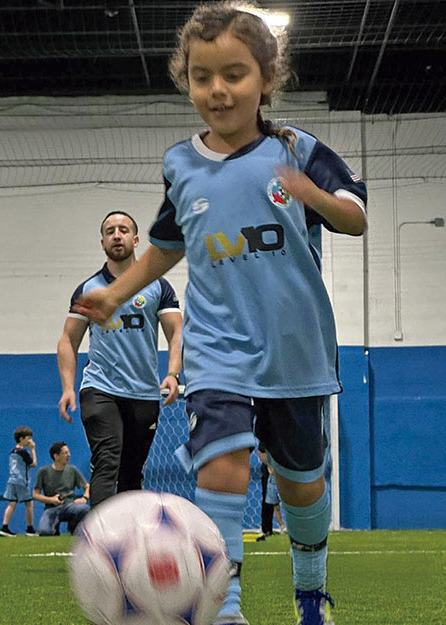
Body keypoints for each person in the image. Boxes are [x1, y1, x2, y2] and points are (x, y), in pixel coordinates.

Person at [71, 3, 367, 624]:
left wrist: (312, 194)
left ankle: (310, 593)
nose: (218, 90)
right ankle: (225, 609)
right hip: (216, 348)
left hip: (295, 350)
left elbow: (355, 217)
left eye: (234, 74)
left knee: (302, 485)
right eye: (202, 77)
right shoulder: (181, 165)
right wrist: (116, 295)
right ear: (187, 82)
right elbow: (166, 246)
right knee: (222, 465)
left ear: (266, 78)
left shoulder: (296, 148)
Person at [57, 210, 182, 507]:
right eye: (110, 231)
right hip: (100, 389)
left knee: (131, 473)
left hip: (143, 393)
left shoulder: (159, 287)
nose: (116, 235)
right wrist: (67, 387)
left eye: (123, 230)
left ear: (136, 240)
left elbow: (176, 332)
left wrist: (173, 373)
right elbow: (68, 340)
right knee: (107, 460)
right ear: (102, 242)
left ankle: (129, 532)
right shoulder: (89, 290)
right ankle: (99, 532)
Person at [33, 442, 90, 536]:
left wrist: (84, 498)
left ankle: (73, 527)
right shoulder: (43, 471)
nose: (69, 455)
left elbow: (87, 486)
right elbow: (35, 494)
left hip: (69, 506)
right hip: (51, 509)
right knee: (45, 532)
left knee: (84, 509)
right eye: (65, 453)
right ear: (56, 456)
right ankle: (54, 528)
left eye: (68, 452)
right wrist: (51, 500)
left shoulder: (72, 470)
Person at [0, 425, 37, 537]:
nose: (30, 441)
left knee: (12, 503)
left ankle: (4, 527)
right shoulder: (23, 452)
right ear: (21, 439)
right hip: (21, 481)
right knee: (29, 503)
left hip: (12, 480)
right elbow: (33, 464)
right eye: (28, 438)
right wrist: (33, 449)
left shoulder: (13, 452)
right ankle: (30, 528)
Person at [256, 446, 286, 541]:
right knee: (270, 501)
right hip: (270, 473)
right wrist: (270, 465)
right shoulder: (267, 438)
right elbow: (261, 452)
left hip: (285, 470)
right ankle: (267, 529)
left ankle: (293, 528)